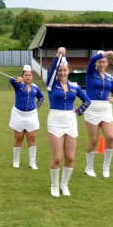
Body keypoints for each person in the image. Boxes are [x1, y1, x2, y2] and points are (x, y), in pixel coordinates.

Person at [45, 47, 91, 197]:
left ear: (68, 71)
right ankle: (54, 185)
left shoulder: (74, 86)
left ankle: (64, 185)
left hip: (70, 122)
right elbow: (52, 70)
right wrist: (58, 55)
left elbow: (87, 101)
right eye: (60, 71)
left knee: (70, 157)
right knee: (57, 157)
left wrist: (77, 112)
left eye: (65, 70)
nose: (62, 73)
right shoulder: (51, 84)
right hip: (55, 120)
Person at [84, 50, 113, 178]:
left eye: (104, 62)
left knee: (111, 137)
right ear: (96, 63)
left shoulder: (109, 77)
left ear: (107, 63)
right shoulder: (91, 73)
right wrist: (109, 52)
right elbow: (93, 59)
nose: (102, 64)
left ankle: (106, 167)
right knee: (93, 140)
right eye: (100, 62)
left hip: (106, 109)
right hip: (92, 108)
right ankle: (89, 167)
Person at [9, 64, 44, 169]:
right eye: (26, 75)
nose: (28, 77)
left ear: (32, 76)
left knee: (32, 138)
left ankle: (32, 162)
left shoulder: (35, 87)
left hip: (31, 115)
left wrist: (37, 105)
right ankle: (16, 161)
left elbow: (41, 97)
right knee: (18, 138)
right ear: (23, 75)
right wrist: (17, 79)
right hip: (18, 115)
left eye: (30, 75)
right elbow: (11, 80)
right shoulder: (18, 84)